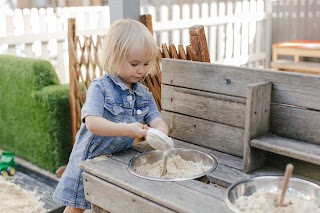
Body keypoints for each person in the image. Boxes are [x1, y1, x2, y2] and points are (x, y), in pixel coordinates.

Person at [53, 19, 168, 213]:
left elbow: (157, 119)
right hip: (88, 161)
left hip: (116, 161)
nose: (142, 70)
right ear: (114, 58)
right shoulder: (100, 88)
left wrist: (160, 133)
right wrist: (127, 129)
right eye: (134, 64)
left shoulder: (143, 94)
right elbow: (92, 123)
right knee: (76, 208)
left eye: (146, 64)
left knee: (107, 204)